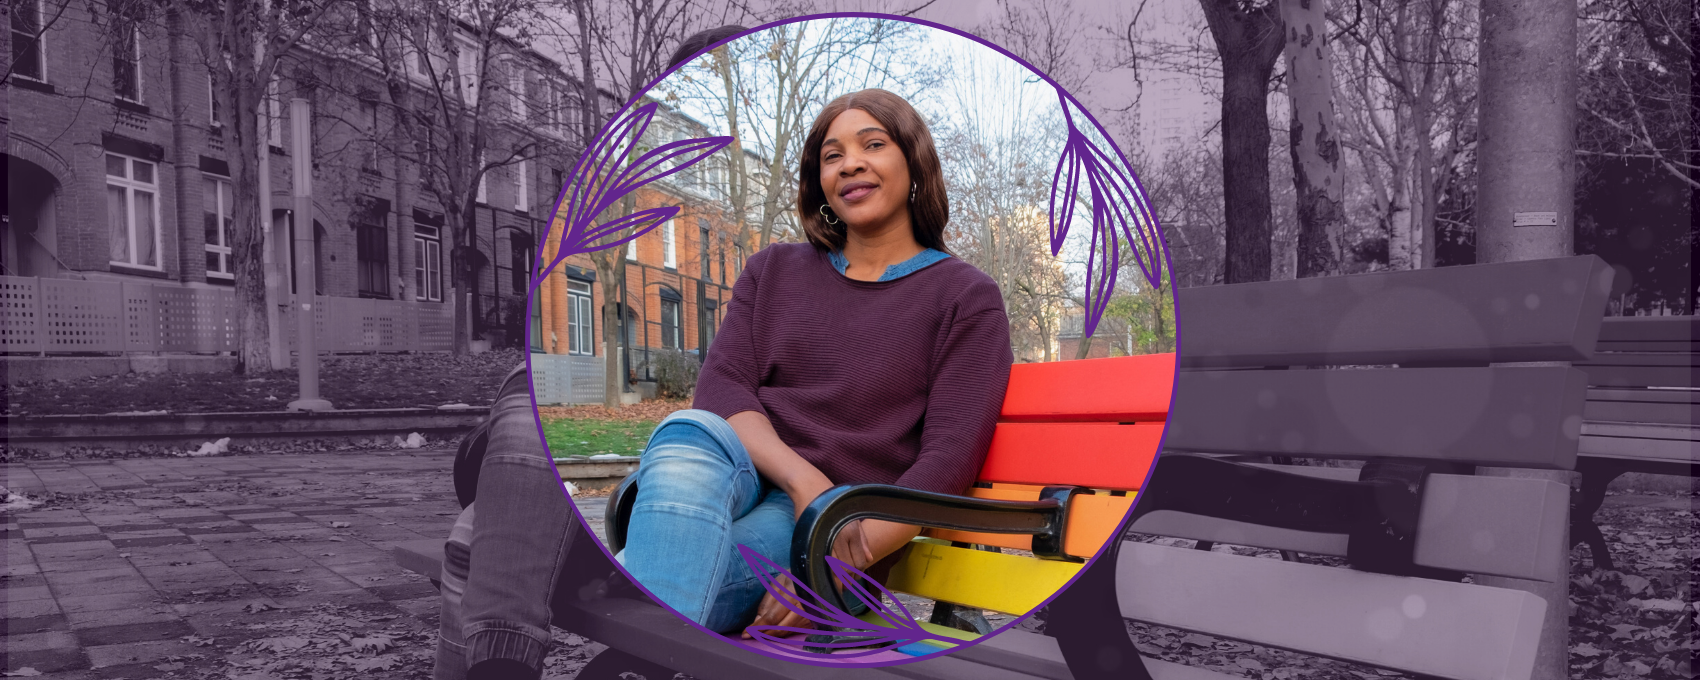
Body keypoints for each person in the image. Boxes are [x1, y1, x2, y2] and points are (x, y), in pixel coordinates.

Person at [616, 86, 1014, 638]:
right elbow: (723, 386)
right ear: (821, 182)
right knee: (687, 430)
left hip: (832, 524)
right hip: (743, 468)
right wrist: (805, 480)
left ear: (914, 162)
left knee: (654, 571)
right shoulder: (773, 270)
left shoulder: (964, 297)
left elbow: (948, 460)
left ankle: (627, 625)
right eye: (832, 155)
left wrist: (831, 570)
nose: (850, 162)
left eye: (872, 144)